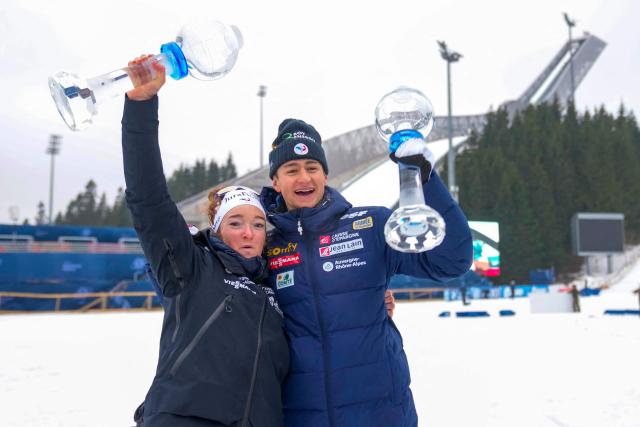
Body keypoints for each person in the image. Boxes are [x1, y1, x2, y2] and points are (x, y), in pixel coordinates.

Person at [261, 118, 473, 426]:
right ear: (276, 182)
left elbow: (450, 260)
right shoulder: (264, 248)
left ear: (325, 174)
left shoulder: (372, 226)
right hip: (302, 417)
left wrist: (427, 179)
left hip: (381, 414)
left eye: (312, 167)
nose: (304, 177)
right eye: (292, 170)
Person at [122, 56, 289, 427]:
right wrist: (141, 106)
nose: (248, 233)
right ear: (216, 229)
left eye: (258, 224)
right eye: (236, 222)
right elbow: (148, 200)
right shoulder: (190, 269)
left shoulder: (277, 290)